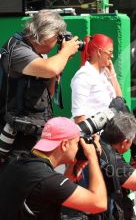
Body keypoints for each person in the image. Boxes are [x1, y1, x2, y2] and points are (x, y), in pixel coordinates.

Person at [0, 10, 79, 165]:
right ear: (47, 34)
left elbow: (48, 93)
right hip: (13, 134)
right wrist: (65, 51)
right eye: (57, 37)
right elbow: (51, 69)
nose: (58, 41)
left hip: (31, 130)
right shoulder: (18, 50)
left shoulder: (38, 54)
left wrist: (62, 59)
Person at [0, 117, 107, 219]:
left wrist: (70, 171)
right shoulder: (46, 180)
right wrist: (93, 157)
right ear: (64, 144)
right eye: (76, 143)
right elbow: (99, 203)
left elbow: (50, 192)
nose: (78, 148)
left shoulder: (19, 162)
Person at [99, 112, 136, 219]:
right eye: (131, 141)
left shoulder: (98, 144)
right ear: (125, 142)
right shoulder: (113, 161)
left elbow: (118, 178)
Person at [71, 33, 122, 124]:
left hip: (109, 132)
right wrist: (90, 137)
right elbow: (79, 116)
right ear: (99, 52)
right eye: (110, 52)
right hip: (93, 135)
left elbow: (119, 101)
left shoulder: (104, 73)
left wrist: (112, 75)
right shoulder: (83, 76)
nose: (112, 56)